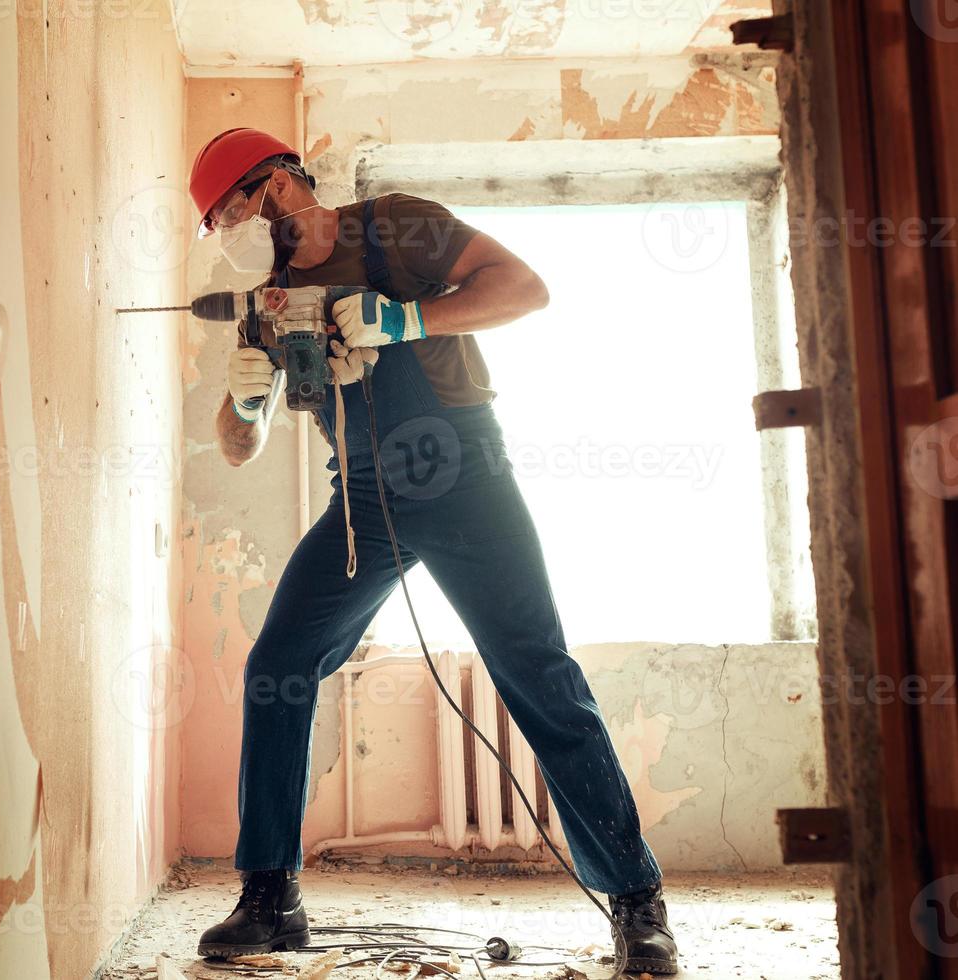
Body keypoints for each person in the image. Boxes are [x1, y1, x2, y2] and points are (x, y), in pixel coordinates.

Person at [187, 127, 680, 976]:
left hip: (469, 486)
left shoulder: (397, 227)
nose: (231, 230)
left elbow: (525, 289)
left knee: (540, 675)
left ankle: (637, 907)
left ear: (270, 186)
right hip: (365, 506)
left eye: (230, 208)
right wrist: (245, 398)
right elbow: (238, 448)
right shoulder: (273, 301)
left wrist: (409, 315)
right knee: (279, 662)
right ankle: (271, 899)